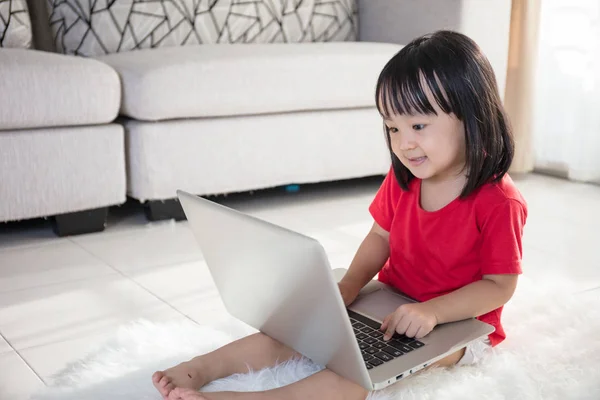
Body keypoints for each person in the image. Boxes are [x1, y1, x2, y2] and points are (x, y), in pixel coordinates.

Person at [152, 30, 528, 400]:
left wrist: (432, 311)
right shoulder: (405, 179)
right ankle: (200, 369)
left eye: (418, 126)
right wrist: (350, 285)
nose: (403, 142)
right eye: (393, 127)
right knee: (297, 333)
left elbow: (499, 285)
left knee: (356, 378)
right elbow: (380, 237)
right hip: (391, 301)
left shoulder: (499, 201)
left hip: (462, 327)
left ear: (471, 115)